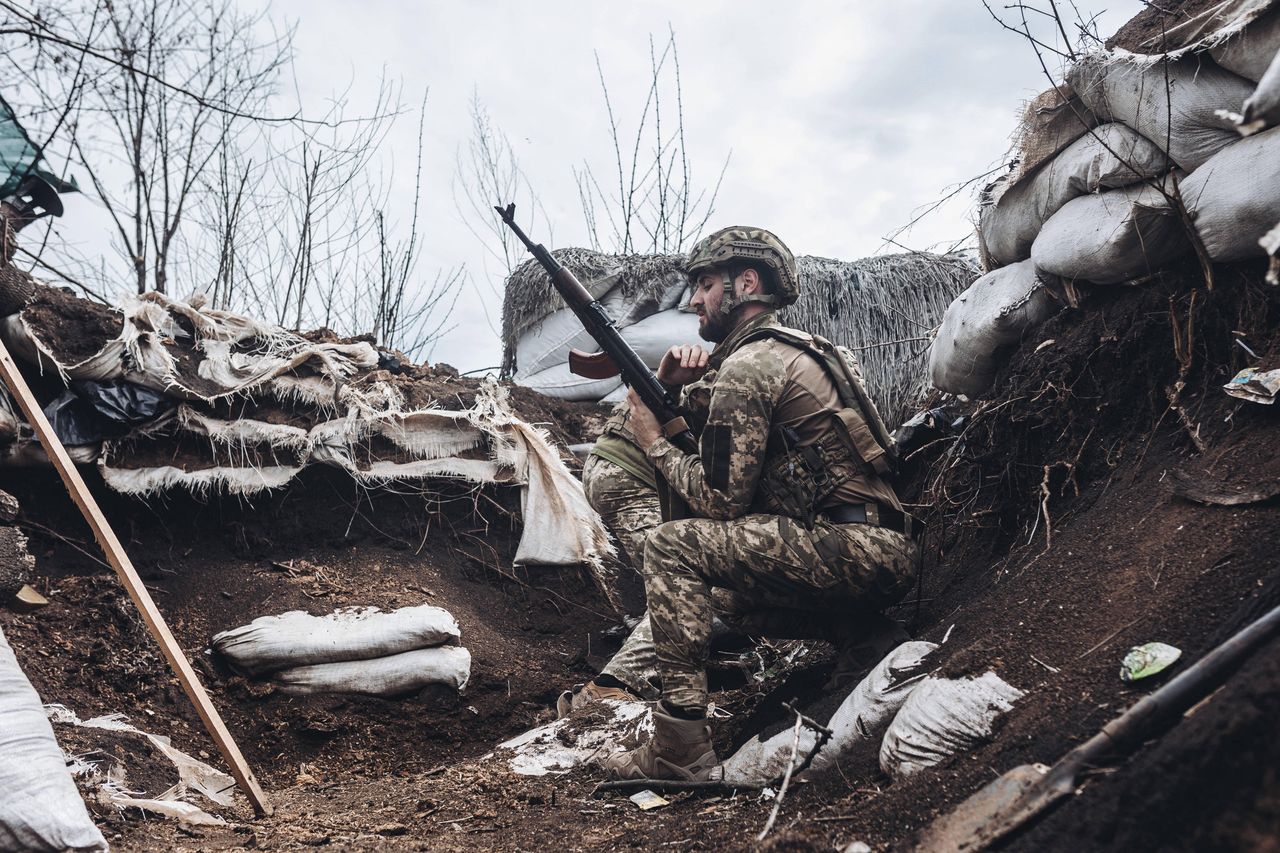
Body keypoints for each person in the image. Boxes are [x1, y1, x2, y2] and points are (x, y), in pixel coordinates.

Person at [591, 226, 921, 783]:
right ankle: (862, 635)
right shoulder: (808, 353)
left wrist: (651, 441)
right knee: (725, 594)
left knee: (672, 547)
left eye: (704, 284)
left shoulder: (749, 366)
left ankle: (679, 746)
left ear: (746, 283)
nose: (694, 299)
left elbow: (719, 500)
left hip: (854, 547)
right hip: (879, 546)